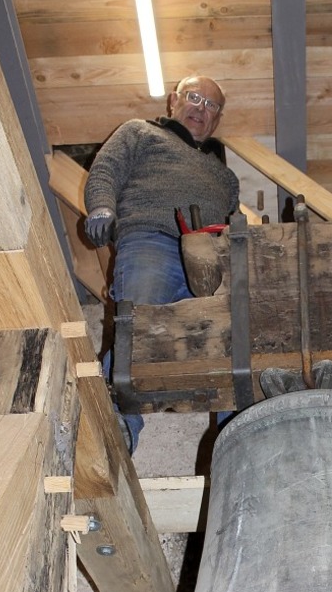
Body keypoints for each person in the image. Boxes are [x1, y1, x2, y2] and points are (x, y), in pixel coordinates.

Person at [84, 75, 240, 450]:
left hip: (211, 260)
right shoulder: (139, 132)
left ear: (217, 119)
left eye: (211, 105)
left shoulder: (227, 177)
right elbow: (105, 169)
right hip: (151, 240)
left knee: (233, 344)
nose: (201, 108)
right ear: (174, 101)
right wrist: (102, 206)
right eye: (194, 97)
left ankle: (239, 436)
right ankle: (114, 430)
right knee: (137, 328)